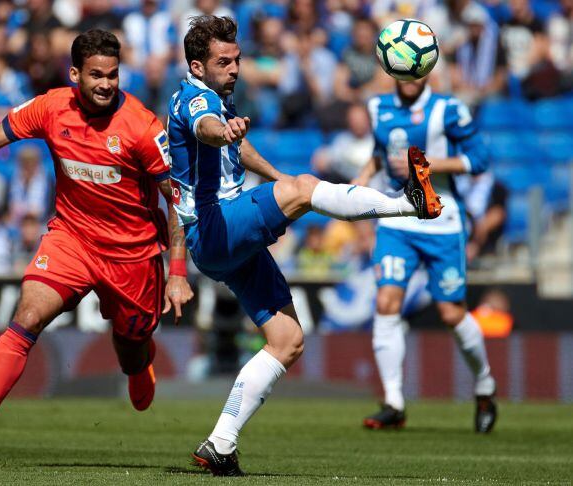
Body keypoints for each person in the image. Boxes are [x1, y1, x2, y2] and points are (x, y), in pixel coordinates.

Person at [0, 29, 193, 466]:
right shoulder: (50, 107)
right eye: (96, 75)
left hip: (132, 255)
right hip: (71, 239)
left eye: (113, 75)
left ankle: (139, 363)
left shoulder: (142, 127)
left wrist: (177, 274)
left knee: (132, 345)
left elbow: (177, 201)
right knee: (26, 317)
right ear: (75, 74)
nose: (106, 84)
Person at [168, 16, 442, 476]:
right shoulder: (197, 99)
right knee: (306, 188)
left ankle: (220, 443)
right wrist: (227, 133)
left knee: (288, 340)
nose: (234, 69)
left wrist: (275, 174)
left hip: (223, 243)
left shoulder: (214, 98)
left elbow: (232, 146)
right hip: (213, 227)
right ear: (197, 66)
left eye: (237, 60)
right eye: (223, 62)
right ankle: (407, 204)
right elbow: (208, 129)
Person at [352, 75, 498, 433]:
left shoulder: (448, 109)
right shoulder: (378, 106)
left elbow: (480, 159)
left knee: (451, 313)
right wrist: (361, 180)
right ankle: (393, 403)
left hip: (441, 220)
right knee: (386, 301)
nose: (411, 76)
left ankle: (484, 384)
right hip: (396, 218)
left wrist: (427, 164)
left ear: (428, 68)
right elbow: (380, 153)